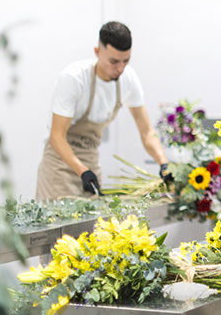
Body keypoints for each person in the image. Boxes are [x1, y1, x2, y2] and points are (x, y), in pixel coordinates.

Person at [36, 21, 170, 200]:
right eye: (114, 61)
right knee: (59, 226)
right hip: (59, 168)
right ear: (97, 52)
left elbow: (146, 132)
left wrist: (164, 163)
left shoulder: (128, 79)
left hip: (90, 164)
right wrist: (82, 171)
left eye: (126, 61)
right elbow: (56, 137)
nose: (120, 68)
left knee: (93, 226)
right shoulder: (74, 78)